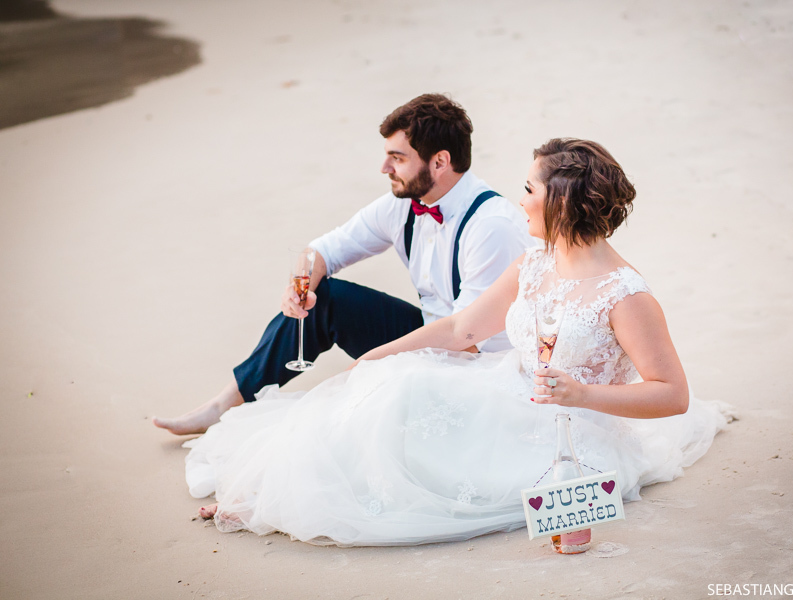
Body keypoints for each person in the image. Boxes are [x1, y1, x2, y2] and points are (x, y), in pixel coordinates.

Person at [183, 138, 731, 546]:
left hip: (572, 430)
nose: (521, 200)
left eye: (529, 189)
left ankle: (287, 499)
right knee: (395, 387)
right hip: (505, 389)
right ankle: (273, 492)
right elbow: (463, 329)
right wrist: (378, 356)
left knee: (411, 422)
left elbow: (671, 395)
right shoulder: (537, 260)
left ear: (560, 203)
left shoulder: (625, 295)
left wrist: (583, 395)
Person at [153, 94, 533, 435]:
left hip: (482, 366)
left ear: (440, 162)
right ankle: (225, 403)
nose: (385, 167)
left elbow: (465, 338)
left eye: (397, 158)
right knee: (327, 296)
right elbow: (323, 251)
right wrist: (299, 285)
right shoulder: (402, 204)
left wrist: (372, 362)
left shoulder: (491, 226)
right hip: (435, 334)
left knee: (340, 415)